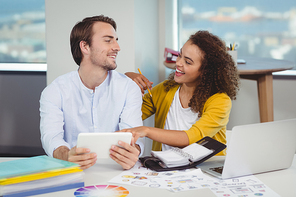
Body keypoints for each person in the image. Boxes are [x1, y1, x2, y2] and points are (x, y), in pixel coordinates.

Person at [40, 15, 143, 170]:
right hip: (73, 173)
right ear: (85, 47)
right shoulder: (55, 91)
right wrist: (67, 155)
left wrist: (134, 152)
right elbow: (51, 138)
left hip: (118, 173)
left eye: (116, 40)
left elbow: (134, 136)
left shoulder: (129, 88)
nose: (117, 47)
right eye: (108, 40)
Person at [123, 30, 240, 155]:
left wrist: (146, 130)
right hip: (165, 168)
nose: (178, 63)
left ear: (205, 71)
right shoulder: (165, 89)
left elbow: (191, 137)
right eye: (180, 55)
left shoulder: (220, 101)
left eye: (188, 62)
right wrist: (126, 80)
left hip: (205, 170)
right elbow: (127, 114)